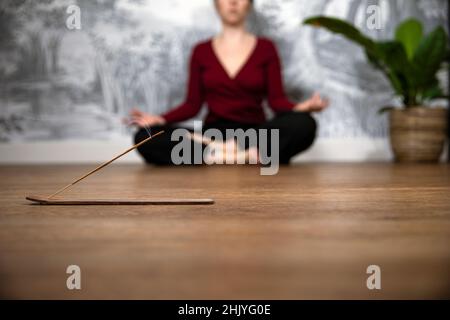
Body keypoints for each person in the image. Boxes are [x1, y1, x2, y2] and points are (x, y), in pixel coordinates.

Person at [126, 0, 328, 165]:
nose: (233, 2)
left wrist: (301, 107)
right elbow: (192, 105)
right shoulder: (201, 51)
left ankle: (219, 154)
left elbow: (276, 101)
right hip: (212, 135)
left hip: (255, 132)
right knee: (144, 136)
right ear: (216, 4)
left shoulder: (266, 48)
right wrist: (160, 119)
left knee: (305, 124)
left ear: (249, 4)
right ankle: (242, 155)